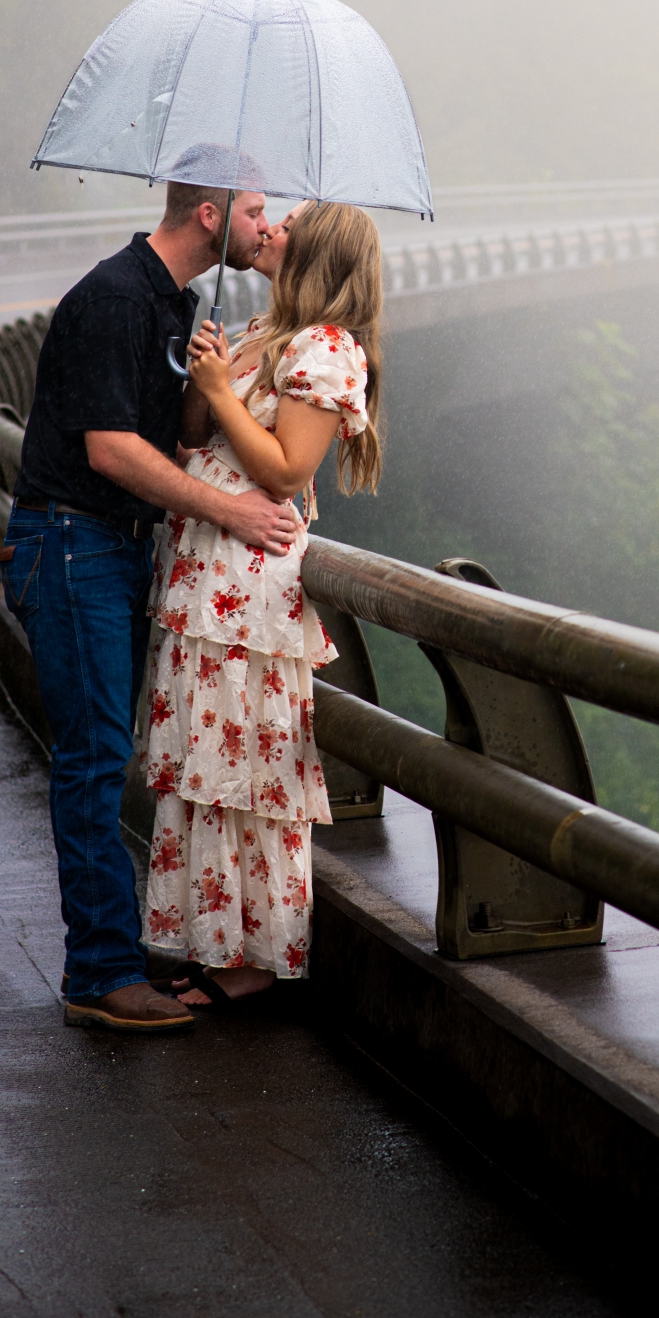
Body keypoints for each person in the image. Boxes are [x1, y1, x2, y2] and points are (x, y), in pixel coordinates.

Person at [0, 180, 299, 1034]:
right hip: (71, 542)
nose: (263, 226)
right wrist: (233, 510)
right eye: (252, 212)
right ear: (209, 215)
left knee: (109, 754)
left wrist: (209, 388)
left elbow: (171, 440)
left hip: (115, 547)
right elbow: (111, 449)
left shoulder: (175, 302)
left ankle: (115, 956)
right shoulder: (114, 298)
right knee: (92, 759)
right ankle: (100, 974)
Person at [142, 200, 382, 1002]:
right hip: (203, 572)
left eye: (287, 223)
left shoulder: (326, 348)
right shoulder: (259, 332)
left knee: (247, 765)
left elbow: (284, 470)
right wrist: (203, 381)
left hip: (249, 583)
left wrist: (222, 391)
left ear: (317, 253)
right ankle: (204, 939)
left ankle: (247, 963)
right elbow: (197, 439)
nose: (269, 227)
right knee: (203, 764)